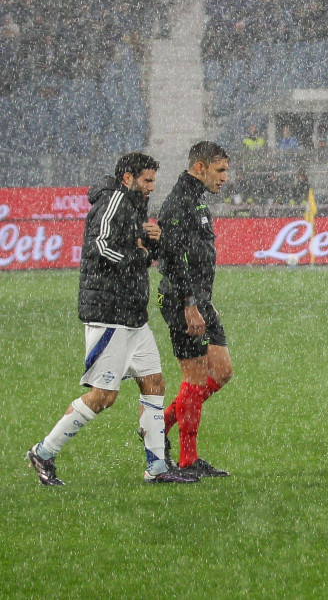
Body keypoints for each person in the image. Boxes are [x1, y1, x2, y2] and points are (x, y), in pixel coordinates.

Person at [25, 152, 198, 485]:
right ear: (128, 177)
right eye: (146, 180)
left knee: (155, 383)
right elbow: (100, 246)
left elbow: (138, 253)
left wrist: (153, 244)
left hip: (133, 314)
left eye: (153, 181)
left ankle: (157, 468)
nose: (151, 187)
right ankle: (43, 453)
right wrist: (142, 252)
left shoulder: (133, 206)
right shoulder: (114, 200)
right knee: (103, 396)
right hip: (109, 313)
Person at [156, 141, 233, 478]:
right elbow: (172, 260)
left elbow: (196, 257)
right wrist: (189, 304)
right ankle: (187, 459)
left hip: (200, 300)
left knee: (223, 371)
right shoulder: (178, 203)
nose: (225, 178)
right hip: (181, 301)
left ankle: (158, 426)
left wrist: (204, 299)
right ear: (199, 168)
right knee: (195, 377)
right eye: (220, 170)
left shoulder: (198, 199)